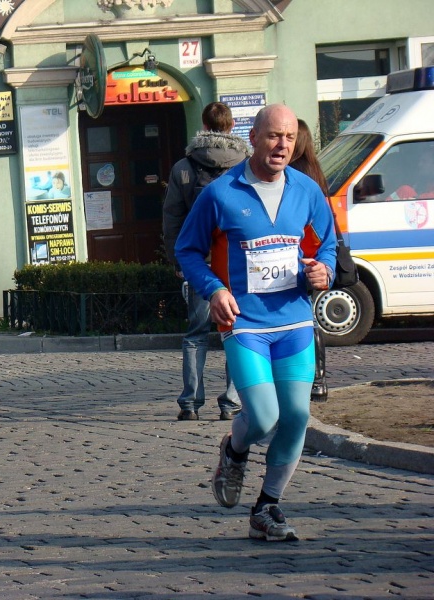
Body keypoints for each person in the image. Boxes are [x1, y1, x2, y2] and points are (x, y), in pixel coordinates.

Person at [175, 104, 337, 541]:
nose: (281, 145)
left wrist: (324, 270)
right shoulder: (221, 193)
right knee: (264, 418)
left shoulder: (305, 191)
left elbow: (329, 247)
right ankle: (235, 447)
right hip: (244, 323)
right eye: (272, 136)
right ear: (254, 136)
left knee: (297, 416)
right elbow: (187, 250)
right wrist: (214, 290)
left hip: (295, 321)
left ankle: (267, 507)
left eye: (288, 137)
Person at [163, 101, 248, 421]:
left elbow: (172, 218)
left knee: (196, 333)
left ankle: (190, 402)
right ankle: (231, 402)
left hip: (199, 262)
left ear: (203, 124)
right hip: (239, 262)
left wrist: (177, 260)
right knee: (236, 331)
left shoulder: (183, 168)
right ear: (232, 125)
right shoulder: (245, 165)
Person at [290, 119, 330, 402]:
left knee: (306, 318)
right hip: (315, 253)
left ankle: (313, 378)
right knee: (312, 316)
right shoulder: (315, 169)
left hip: (302, 253)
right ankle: (319, 379)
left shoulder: (295, 175)